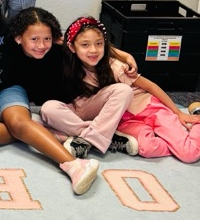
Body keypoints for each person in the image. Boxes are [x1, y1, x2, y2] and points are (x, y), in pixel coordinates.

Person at [42, 16, 200, 162]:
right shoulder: (68, 59)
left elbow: (150, 86)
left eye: (99, 44)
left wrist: (178, 112)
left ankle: (197, 118)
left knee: (189, 153)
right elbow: (61, 39)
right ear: (71, 47)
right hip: (122, 120)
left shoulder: (115, 66)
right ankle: (101, 136)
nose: (93, 50)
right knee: (48, 109)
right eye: (85, 45)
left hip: (149, 109)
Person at [0, 7, 101, 195]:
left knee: (55, 108)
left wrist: (123, 55)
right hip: (30, 100)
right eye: (34, 39)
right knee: (29, 117)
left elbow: (94, 45)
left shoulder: (58, 49)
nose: (42, 45)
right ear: (19, 38)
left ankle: (81, 146)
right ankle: (64, 135)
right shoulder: (8, 46)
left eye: (47, 39)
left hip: (61, 100)